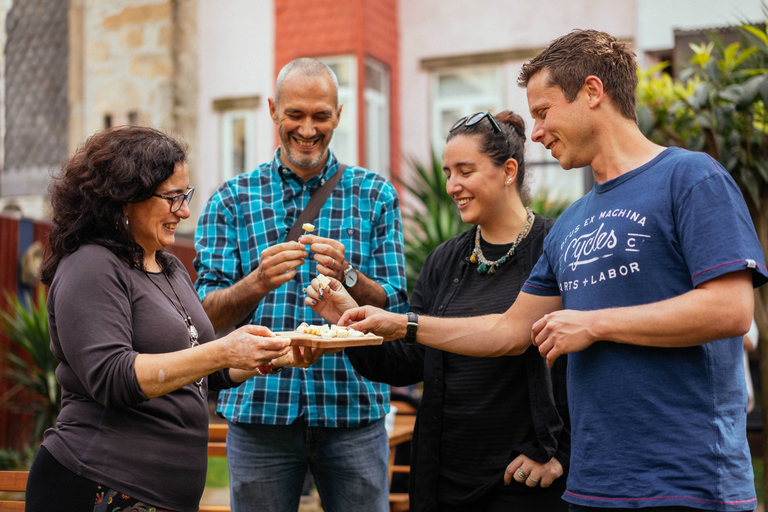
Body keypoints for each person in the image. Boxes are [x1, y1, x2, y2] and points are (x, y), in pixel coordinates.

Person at [339, 29, 768, 512]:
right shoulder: (572, 222)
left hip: (687, 484)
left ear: (591, 92)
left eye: (544, 112)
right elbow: (508, 331)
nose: (536, 132)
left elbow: (730, 310)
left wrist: (594, 323)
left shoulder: (691, 177)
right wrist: (403, 325)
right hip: (592, 488)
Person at [26, 126, 315, 512]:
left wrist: (271, 355)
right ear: (125, 198)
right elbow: (112, 376)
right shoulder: (91, 265)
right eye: (173, 198)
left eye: (186, 195)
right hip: (99, 484)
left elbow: (198, 370)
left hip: (161, 497)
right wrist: (224, 351)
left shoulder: (170, 267)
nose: (184, 211)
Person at [305, 110, 569, 511]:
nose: (452, 186)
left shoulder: (555, 247)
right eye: (448, 173)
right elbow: (409, 361)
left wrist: (559, 452)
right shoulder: (445, 260)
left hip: (524, 481)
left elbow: (585, 362)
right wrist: (350, 321)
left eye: (465, 171)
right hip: (445, 478)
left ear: (508, 170)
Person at [194, 57, 408, 512]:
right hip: (259, 411)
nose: (308, 129)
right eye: (295, 115)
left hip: (352, 407)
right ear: (273, 110)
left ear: (338, 115)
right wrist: (256, 283)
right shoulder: (231, 199)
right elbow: (200, 318)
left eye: (320, 116)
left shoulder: (375, 194)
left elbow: (396, 302)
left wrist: (349, 275)